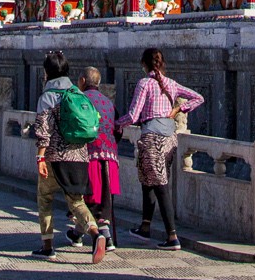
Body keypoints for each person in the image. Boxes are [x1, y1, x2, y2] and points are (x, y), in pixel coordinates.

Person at [118, 47, 202, 249]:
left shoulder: (144, 83)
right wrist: (178, 109)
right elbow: (198, 97)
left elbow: (133, 115)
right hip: (169, 137)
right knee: (149, 180)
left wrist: (115, 123)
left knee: (159, 184)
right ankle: (145, 227)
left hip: (152, 137)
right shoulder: (171, 83)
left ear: (144, 65)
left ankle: (172, 235)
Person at [30, 50, 105, 263]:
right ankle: (95, 233)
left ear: (47, 73)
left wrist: (40, 158)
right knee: (76, 201)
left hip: (55, 158)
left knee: (45, 198)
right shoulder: (77, 92)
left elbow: (43, 130)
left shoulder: (48, 96)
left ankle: (47, 246)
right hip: (79, 157)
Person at [68, 66, 121, 253]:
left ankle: (103, 236)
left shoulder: (79, 101)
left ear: (82, 81)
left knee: (86, 200)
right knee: (104, 199)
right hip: (110, 157)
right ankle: (78, 234)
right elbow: (118, 129)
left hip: (86, 158)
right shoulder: (108, 103)